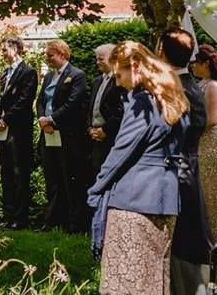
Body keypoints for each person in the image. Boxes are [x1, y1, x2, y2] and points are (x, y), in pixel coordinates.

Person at [88, 41, 190, 295]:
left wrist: (96, 189)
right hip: (166, 199)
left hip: (133, 201)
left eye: (119, 75)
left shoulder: (142, 103)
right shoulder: (172, 97)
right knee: (154, 278)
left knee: (125, 280)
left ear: (134, 67)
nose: (118, 82)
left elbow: (121, 151)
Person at [157, 27, 211, 295]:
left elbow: (193, 128)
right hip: (176, 172)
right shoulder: (179, 85)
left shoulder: (183, 89)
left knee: (185, 241)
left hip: (179, 175)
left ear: (161, 52)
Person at [36, 39, 88, 233]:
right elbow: (41, 100)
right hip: (48, 133)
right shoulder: (49, 77)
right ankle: (54, 220)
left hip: (67, 134)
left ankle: (74, 223)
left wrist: (52, 120)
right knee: (52, 176)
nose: (47, 58)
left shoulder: (77, 75)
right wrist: (42, 119)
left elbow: (73, 103)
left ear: (62, 54)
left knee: (70, 177)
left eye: (50, 55)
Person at [0, 35, 38, 229]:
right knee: (7, 172)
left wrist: (6, 119)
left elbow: (25, 100)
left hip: (19, 128)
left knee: (20, 172)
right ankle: (9, 216)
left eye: (4, 50)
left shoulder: (28, 72)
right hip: (4, 128)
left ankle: (20, 218)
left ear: (16, 49)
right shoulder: (5, 73)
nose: (2, 54)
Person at [87, 43, 124, 182]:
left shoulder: (118, 80)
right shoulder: (98, 80)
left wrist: (105, 130)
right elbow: (91, 107)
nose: (98, 62)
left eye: (101, 59)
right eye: (97, 59)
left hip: (111, 136)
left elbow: (120, 111)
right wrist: (90, 128)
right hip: (95, 136)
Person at [193, 43, 217, 244]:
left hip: (209, 143)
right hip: (200, 142)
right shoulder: (201, 83)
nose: (193, 66)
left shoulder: (213, 86)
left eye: (196, 63)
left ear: (206, 64)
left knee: (210, 190)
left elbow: (211, 119)